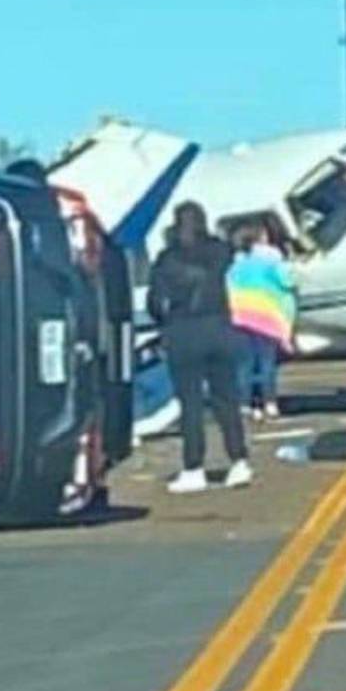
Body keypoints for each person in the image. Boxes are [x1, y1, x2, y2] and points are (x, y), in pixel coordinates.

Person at [147, 202, 252, 493]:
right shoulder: (220, 252)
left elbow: (155, 303)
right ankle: (239, 460)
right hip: (219, 328)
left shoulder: (168, 259)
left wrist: (165, 322)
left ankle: (194, 467)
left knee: (190, 405)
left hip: (183, 333)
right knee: (226, 400)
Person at [228, 221, 297, 421]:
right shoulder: (272, 260)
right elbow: (288, 280)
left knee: (244, 365)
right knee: (267, 364)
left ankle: (245, 404)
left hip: (240, 317)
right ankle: (270, 403)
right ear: (262, 239)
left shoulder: (237, 264)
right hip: (266, 318)